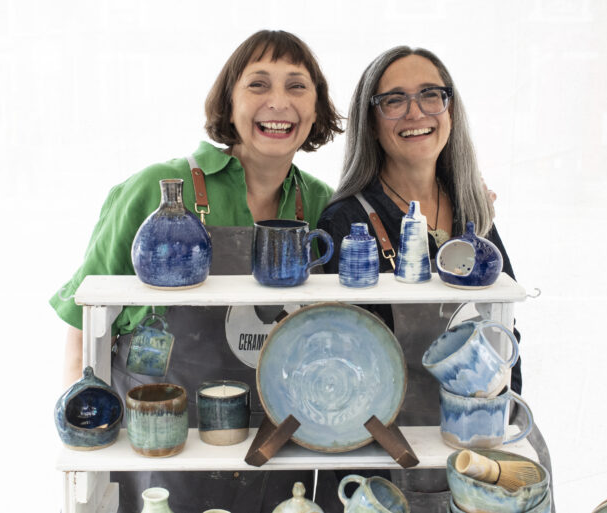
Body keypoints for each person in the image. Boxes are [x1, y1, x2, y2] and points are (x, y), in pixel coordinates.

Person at [50, 30, 343, 513]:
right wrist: (83, 439)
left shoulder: (321, 202)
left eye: (297, 86)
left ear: (316, 108)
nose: (279, 102)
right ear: (228, 102)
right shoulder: (154, 188)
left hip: (274, 451)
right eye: (258, 84)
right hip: (160, 447)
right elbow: (81, 325)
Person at [317, 46, 553, 512]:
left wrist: (501, 429)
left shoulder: (473, 208)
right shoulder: (346, 222)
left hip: (487, 457)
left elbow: (505, 333)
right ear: (371, 120)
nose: (416, 112)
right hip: (397, 464)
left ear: (450, 109)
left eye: (431, 95)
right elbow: (340, 376)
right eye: (394, 99)